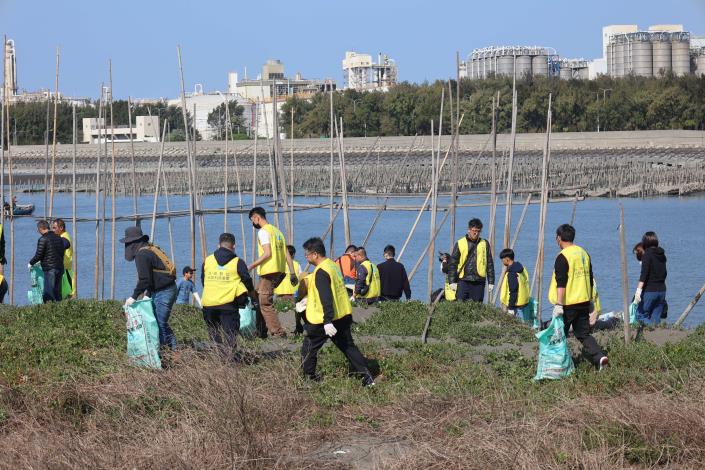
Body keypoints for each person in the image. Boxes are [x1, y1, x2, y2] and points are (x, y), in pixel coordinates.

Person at [300, 237, 375, 386]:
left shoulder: (321, 271)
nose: (306, 257)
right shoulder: (332, 266)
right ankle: (367, 378)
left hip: (325, 319)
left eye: (307, 254)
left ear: (315, 254)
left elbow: (326, 296)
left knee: (309, 347)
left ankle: (309, 378)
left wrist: (327, 321)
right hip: (342, 315)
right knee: (348, 347)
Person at [549, 224, 608, 370]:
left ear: (559, 238)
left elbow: (561, 283)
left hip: (568, 304)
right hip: (583, 301)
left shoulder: (563, 256)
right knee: (583, 334)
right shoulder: (583, 253)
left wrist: (558, 304)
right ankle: (600, 357)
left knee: (558, 334)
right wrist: (590, 301)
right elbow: (589, 279)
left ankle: (557, 366)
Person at [120, 226, 178, 351]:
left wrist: (134, 297)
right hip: (164, 289)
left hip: (164, 291)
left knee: (160, 323)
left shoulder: (142, 254)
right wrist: (148, 293)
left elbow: (145, 279)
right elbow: (154, 275)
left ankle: (170, 352)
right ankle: (170, 349)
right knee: (158, 322)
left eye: (128, 244)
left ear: (133, 243)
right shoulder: (149, 248)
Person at [248, 207, 298, 338]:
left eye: (252, 220)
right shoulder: (277, 232)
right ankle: (260, 330)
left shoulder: (264, 232)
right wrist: (292, 273)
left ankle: (278, 332)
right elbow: (286, 253)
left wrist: (251, 266)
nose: (253, 224)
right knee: (256, 297)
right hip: (279, 272)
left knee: (265, 302)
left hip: (269, 272)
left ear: (256, 217)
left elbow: (267, 253)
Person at [201, 233, 255, 349]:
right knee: (230, 334)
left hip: (208, 303)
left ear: (218, 245)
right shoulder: (238, 262)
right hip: (228, 304)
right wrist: (251, 295)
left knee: (213, 331)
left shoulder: (207, 261)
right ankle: (229, 361)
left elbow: (203, 280)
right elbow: (247, 281)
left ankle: (218, 357)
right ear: (234, 246)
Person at [447, 218, 495, 303]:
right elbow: (453, 263)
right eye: (473, 230)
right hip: (463, 280)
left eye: (478, 231)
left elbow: (489, 263)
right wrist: (452, 281)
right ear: (469, 230)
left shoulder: (485, 243)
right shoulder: (460, 243)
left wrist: (491, 281)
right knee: (460, 305)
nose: (475, 233)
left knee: (477, 307)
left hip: (479, 280)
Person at [29, 220, 69, 303]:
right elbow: (67, 244)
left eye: (38, 229)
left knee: (48, 294)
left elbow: (38, 255)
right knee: (57, 292)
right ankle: (59, 311)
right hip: (59, 269)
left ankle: (48, 313)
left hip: (50, 269)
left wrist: (30, 263)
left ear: (40, 228)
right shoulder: (59, 237)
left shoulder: (43, 239)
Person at [634, 231, 667, 327]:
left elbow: (643, 275)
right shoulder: (662, 255)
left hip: (650, 291)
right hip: (662, 291)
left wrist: (638, 292)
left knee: (640, 315)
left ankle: (652, 329)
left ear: (645, 242)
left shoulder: (647, 255)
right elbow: (664, 273)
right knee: (655, 319)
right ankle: (656, 335)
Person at [498, 248, 530, 318]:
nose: (502, 261)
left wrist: (511, 308)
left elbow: (513, 291)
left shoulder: (512, 273)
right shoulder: (522, 269)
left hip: (515, 305)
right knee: (524, 324)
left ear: (507, 259)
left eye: (502, 259)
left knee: (518, 326)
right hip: (523, 302)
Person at [51, 219, 75, 299]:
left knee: (69, 294)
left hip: (66, 268)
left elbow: (64, 244)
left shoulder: (64, 237)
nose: (53, 230)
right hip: (64, 268)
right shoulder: (61, 236)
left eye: (54, 228)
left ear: (61, 228)